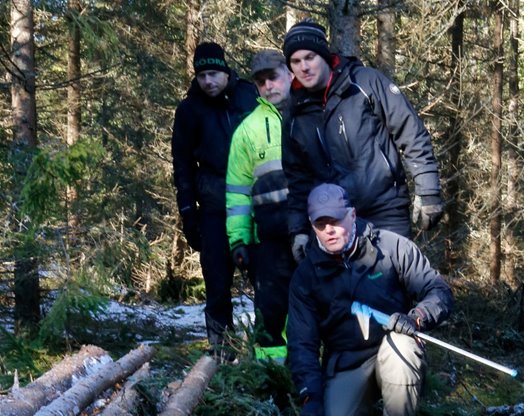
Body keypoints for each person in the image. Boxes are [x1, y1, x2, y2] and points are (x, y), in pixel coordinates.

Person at [287, 183, 453, 416]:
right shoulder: (306, 276)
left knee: (402, 348)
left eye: (336, 220)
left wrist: (417, 317)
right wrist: (309, 396)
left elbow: (438, 291)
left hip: (393, 347)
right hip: (348, 361)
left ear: (352, 215)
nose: (330, 229)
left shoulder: (390, 247)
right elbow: (303, 344)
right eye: (321, 224)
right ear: (312, 227)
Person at [282, 19, 444, 263]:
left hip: (385, 208)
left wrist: (428, 191)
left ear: (324, 56)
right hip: (333, 222)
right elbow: (297, 179)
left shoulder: (365, 83)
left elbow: (411, 133)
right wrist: (299, 231)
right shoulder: (295, 114)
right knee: (345, 299)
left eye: (310, 57)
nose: (304, 67)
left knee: (392, 289)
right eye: (295, 61)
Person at [172, 41, 258, 352]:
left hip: (255, 204)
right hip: (213, 206)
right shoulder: (189, 110)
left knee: (265, 281)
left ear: (225, 70)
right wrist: (187, 212)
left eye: (213, 73)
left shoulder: (249, 94)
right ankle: (223, 352)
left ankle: (268, 353)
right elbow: (181, 164)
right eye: (201, 75)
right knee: (218, 285)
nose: (207, 81)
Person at [226, 49, 296, 363]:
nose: (268, 86)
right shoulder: (248, 130)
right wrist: (239, 240)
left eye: (273, 77)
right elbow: (238, 192)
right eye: (261, 81)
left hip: (316, 231)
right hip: (270, 238)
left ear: (290, 73)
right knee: (271, 310)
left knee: (315, 306)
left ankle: (314, 376)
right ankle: (271, 376)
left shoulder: (313, 112)